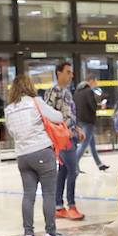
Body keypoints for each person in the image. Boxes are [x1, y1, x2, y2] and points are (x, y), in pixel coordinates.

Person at [4, 74, 69, 236]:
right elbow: (58, 117)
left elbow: (12, 132)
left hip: (22, 156)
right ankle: (50, 233)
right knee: (48, 193)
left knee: (28, 195)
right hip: (42, 151)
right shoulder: (35, 102)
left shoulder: (9, 109)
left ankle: (28, 234)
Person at [46, 62, 84, 221]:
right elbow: (48, 116)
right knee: (73, 170)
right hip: (63, 140)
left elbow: (71, 115)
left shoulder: (68, 92)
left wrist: (77, 129)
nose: (71, 75)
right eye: (68, 72)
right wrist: (59, 134)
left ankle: (58, 206)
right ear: (59, 73)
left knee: (64, 171)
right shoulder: (52, 92)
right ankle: (72, 205)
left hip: (72, 136)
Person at [72, 74, 108, 172]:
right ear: (91, 80)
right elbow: (92, 106)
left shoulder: (77, 91)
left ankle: (99, 164)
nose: (95, 84)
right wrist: (100, 106)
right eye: (95, 81)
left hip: (80, 120)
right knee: (84, 144)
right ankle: (74, 165)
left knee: (92, 144)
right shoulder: (88, 91)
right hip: (88, 121)